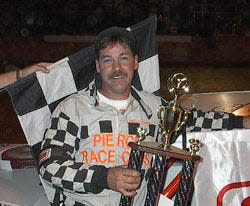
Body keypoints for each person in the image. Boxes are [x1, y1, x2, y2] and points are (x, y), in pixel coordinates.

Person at [38, 27, 250, 206]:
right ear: (97, 66)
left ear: (136, 62)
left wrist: (241, 122)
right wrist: (105, 177)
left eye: (123, 58)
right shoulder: (72, 108)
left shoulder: (154, 107)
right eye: (107, 60)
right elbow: (50, 167)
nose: (117, 68)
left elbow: (195, 120)